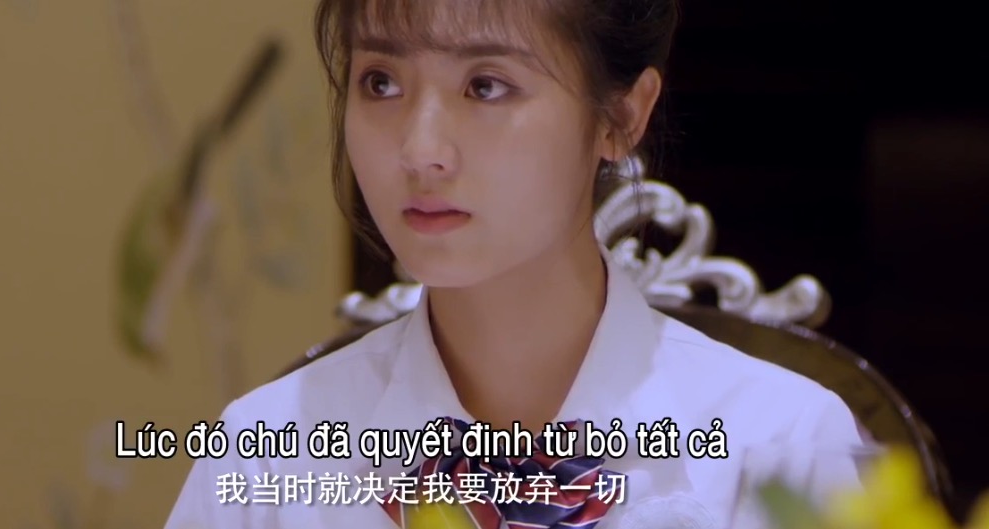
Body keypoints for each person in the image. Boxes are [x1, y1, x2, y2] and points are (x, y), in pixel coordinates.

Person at [163, 0, 866, 528]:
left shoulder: (780, 445)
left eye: (486, 86)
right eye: (380, 82)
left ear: (623, 115)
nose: (421, 150)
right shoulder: (264, 453)